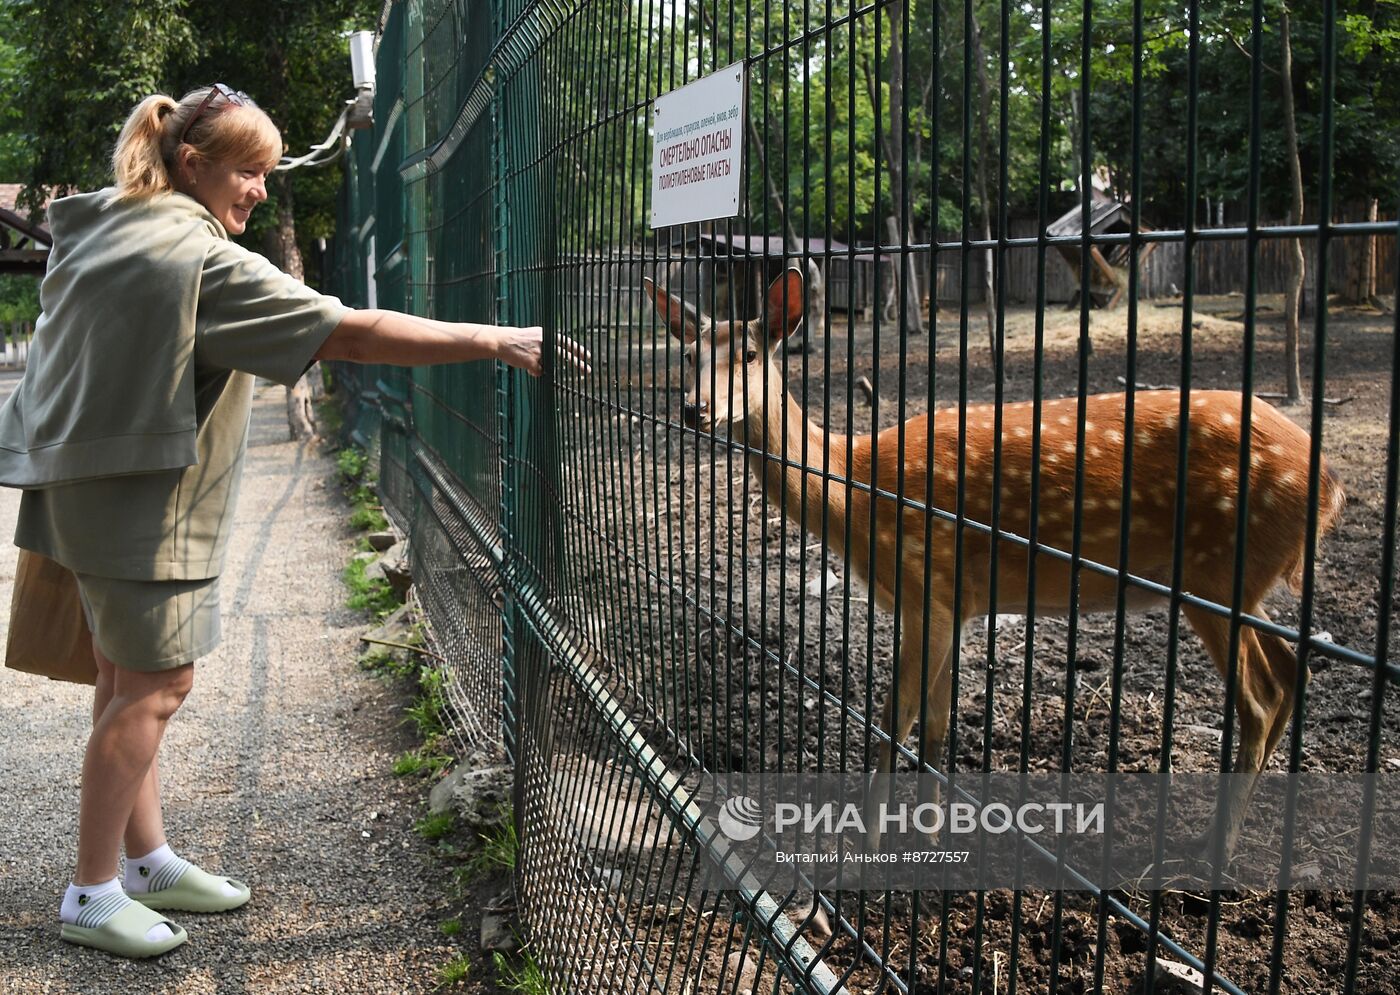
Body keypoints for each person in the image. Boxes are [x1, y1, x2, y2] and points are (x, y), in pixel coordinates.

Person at [0, 84, 588, 959]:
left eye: (268, 173)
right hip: (147, 506)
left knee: (125, 678)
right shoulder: (199, 260)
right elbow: (351, 331)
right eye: (249, 171)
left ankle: (147, 860)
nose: (262, 190)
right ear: (192, 164)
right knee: (160, 687)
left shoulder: (110, 225)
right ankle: (90, 892)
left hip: (79, 487)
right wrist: (494, 338)